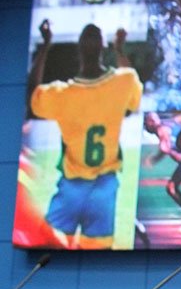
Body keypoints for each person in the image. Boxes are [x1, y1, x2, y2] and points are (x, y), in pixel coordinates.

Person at [26, 19, 143, 249]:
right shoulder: (124, 81)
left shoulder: (62, 94)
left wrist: (45, 46)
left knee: (49, 249)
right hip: (105, 187)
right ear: (103, 46)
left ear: (79, 49)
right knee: (97, 255)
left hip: (72, 187)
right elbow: (132, 88)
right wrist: (119, 49)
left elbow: (32, 95)